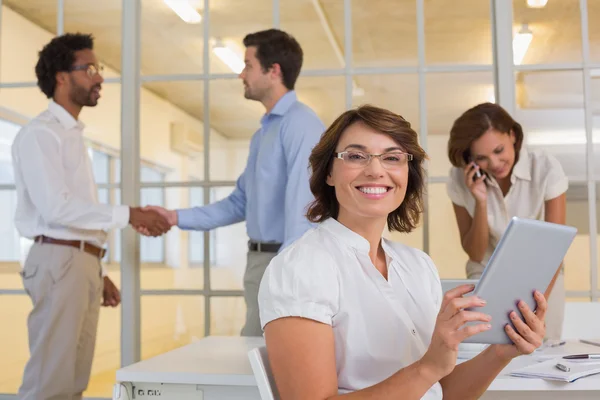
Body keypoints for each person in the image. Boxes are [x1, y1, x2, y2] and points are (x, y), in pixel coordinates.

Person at [258, 105, 547, 399]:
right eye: (356, 156)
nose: (375, 170)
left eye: (392, 158)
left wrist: (499, 353)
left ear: (407, 174)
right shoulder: (300, 268)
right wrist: (428, 368)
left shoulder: (419, 266)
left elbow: (439, 392)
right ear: (329, 172)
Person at [12, 33, 170, 400]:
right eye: (90, 69)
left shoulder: (71, 136)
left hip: (77, 260)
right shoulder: (41, 135)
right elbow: (56, 208)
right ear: (62, 78)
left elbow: (72, 214)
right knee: (48, 384)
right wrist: (129, 214)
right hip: (58, 260)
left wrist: (95, 267)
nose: (99, 78)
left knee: (73, 382)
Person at [142, 29, 325, 336]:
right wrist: (175, 217)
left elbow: (305, 205)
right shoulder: (263, 135)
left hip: (284, 264)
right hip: (260, 262)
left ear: (273, 71)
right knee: (257, 357)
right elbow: (240, 202)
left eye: (248, 65)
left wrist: (288, 272)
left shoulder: (301, 124)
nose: (241, 74)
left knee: (265, 360)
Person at [446, 102, 568, 340]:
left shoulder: (545, 168)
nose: (493, 163)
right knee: (486, 350)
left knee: (540, 350)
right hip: (486, 273)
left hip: (543, 274)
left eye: (499, 150)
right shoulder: (459, 179)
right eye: (481, 157)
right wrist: (480, 201)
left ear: (512, 135)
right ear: (469, 158)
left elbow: (555, 248)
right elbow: (475, 253)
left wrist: (538, 309)